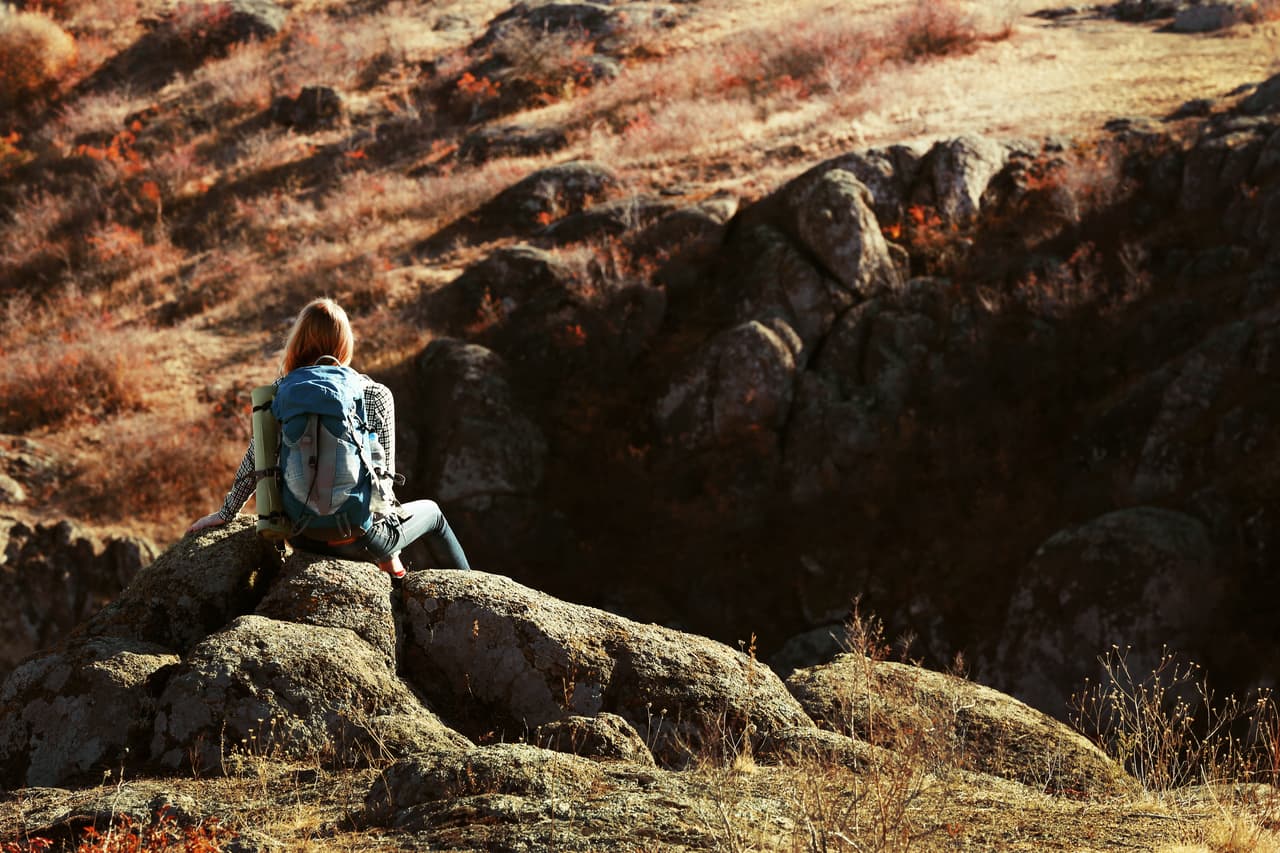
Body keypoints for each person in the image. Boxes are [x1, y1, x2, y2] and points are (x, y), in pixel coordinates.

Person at [188, 298, 471, 578]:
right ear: (345, 343)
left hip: (302, 535)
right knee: (433, 514)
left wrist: (226, 513)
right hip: (361, 538)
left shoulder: (280, 391)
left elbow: (257, 458)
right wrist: (389, 556)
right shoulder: (374, 393)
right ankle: (472, 593)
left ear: (298, 340)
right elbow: (383, 480)